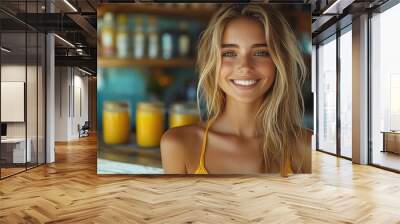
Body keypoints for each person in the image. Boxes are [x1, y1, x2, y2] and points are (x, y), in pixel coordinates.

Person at [160, 4, 311, 176]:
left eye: (261, 53)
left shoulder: (308, 147)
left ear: (280, 63)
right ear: (212, 63)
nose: (245, 67)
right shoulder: (178, 145)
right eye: (229, 53)